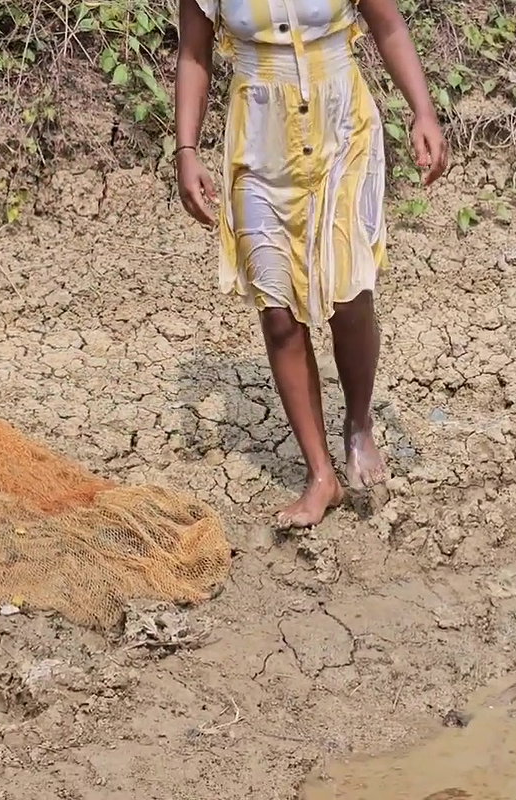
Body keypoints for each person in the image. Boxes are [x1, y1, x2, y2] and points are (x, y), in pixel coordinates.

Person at [174, 0, 448, 528]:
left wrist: (423, 110)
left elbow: (388, 24)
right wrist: (186, 148)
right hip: (258, 139)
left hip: (342, 130)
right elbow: (194, 52)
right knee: (277, 312)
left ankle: (359, 422)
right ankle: (321, 475)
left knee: (349, 295)